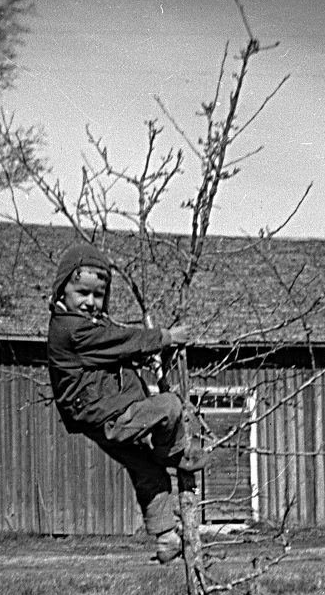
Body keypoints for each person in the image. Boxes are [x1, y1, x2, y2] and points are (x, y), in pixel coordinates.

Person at [47, 241, 207, 564]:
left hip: (97, 416)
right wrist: (164, 338)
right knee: (170, 407)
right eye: (83, 293)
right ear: (61, 291)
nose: (91, 302)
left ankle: (166, 538)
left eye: (98, 295)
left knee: (146, 469)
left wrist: (141, 359)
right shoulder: (70, 330)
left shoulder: (88, 324)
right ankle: (175, 453)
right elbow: (121, 342)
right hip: (107, 414)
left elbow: (113, 346)